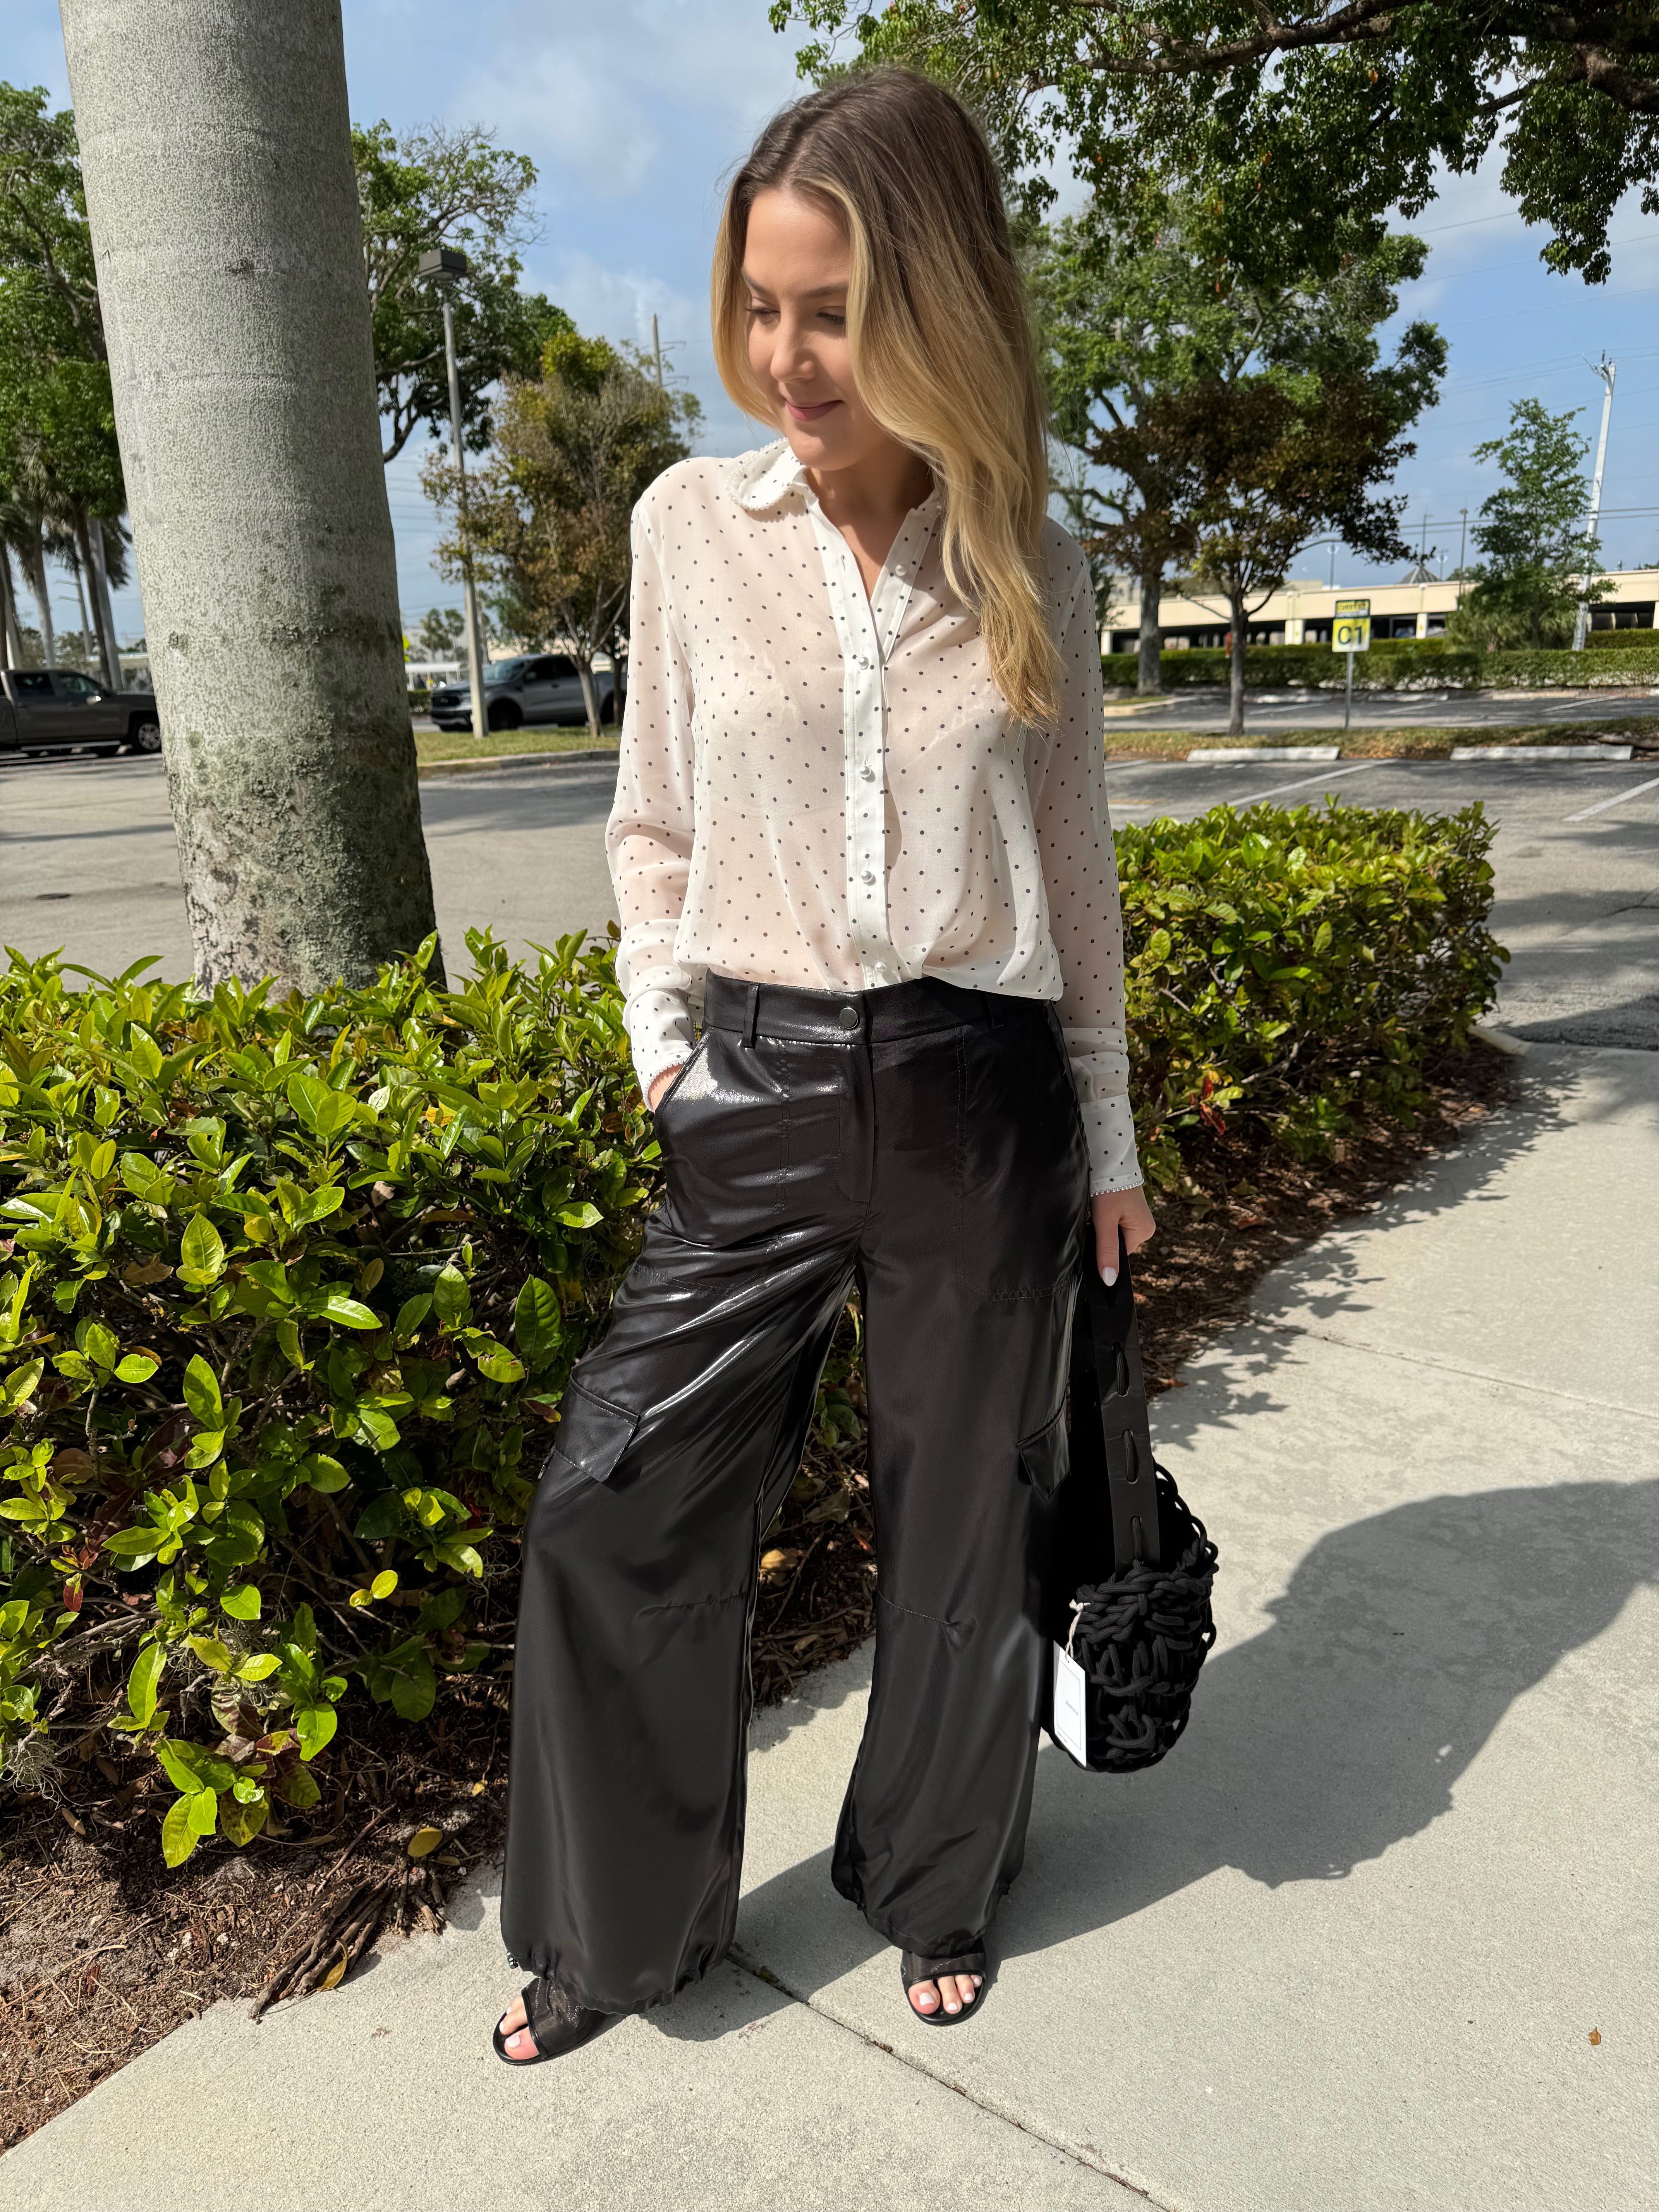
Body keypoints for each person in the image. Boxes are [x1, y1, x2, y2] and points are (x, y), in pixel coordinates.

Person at [492, 65, 1155, 2067]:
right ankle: (617, 1934)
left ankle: (939, 1879)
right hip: (758, 1093)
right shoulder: (691, 528)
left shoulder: (1029, 554)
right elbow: (652, 822)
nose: (787, 356)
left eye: (837, 313)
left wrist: (1110, 1136)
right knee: (609, 1506)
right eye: (762, 306)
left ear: (936, 310)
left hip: (979, 1100)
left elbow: (1073, 871)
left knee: (965, 1532)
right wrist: (663, 1062)